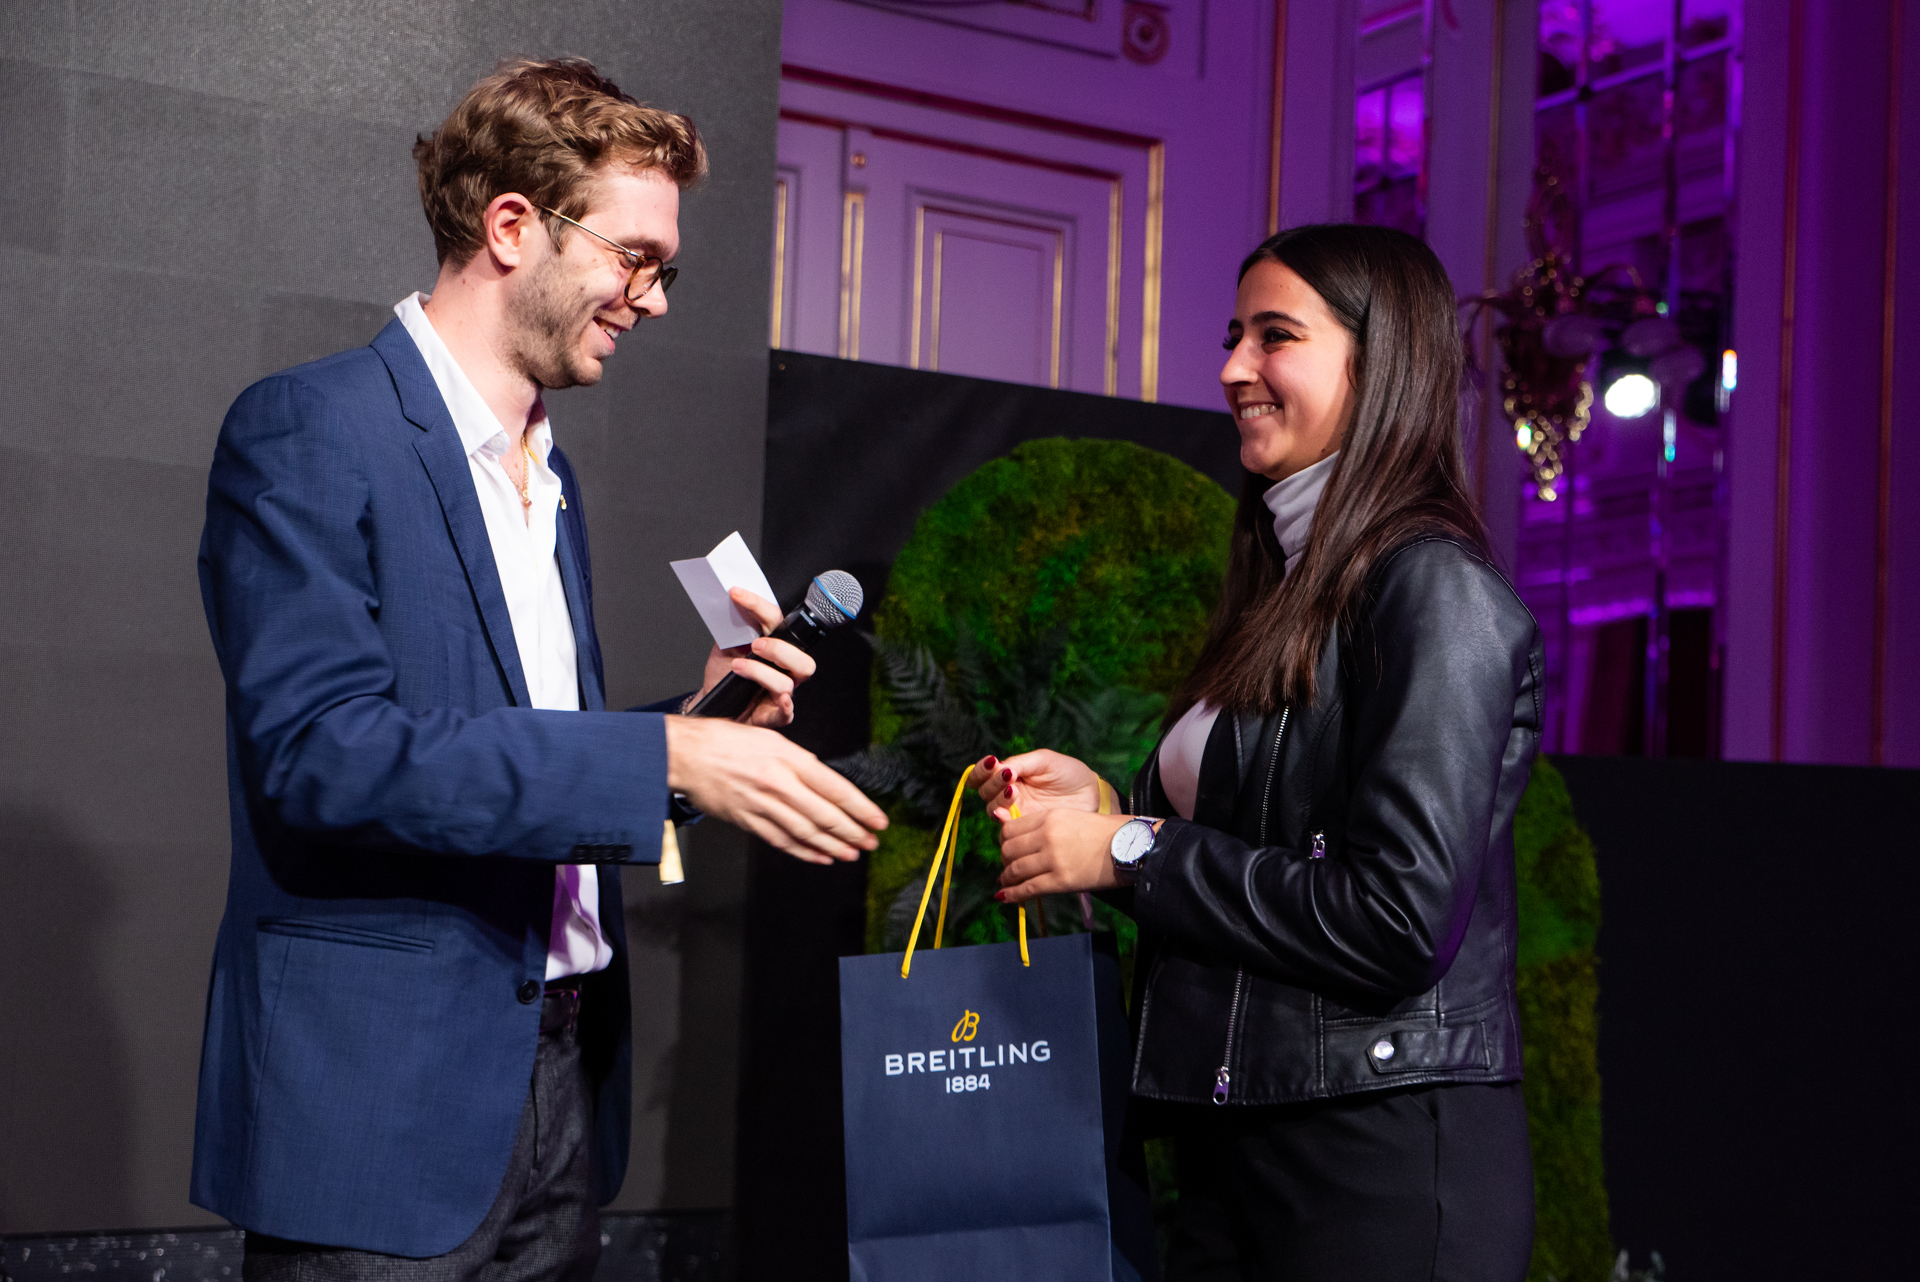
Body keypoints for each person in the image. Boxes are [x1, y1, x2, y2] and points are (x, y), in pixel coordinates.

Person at [191, 57, 887, 1282]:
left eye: (665, 269)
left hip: (562, 1095)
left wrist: (695, 720)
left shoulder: (549, 476)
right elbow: (322, 754)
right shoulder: (311, 427)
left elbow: (510, 745)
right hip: (379, 1113)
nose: (653, 299)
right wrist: (664, 754)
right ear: (513, 226)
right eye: (636, 258)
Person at [974, 223, 1542, 1280]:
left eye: (1275, 336)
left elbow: (1396, 919)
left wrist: (1131, 850)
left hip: (1376, 1161)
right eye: (1234, 336)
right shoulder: (1288, 582)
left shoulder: (1432, 586)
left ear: (1382, 361)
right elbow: (1265, 846)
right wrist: (1106, 810)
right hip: (1241, 1140)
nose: (1235, 368)